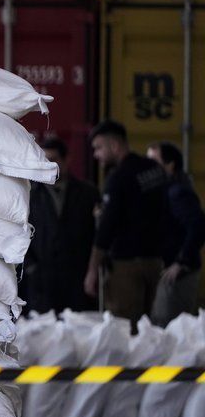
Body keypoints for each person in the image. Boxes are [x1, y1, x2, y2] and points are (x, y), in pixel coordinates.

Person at [83, 120, 169, 331]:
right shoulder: (155, 169)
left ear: (114, 145)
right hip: (156, 263)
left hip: (127, 267)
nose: (95, 155)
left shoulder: (118, 177)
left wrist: (92, 270)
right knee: (151, 330)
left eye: (98, 148)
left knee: (124, 330)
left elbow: (106, 228)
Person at [22, 137, 101, 314]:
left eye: (53, 160)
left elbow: (97, 234)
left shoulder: (88, 193)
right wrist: (31, 267)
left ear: (66, 160)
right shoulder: (30, 195)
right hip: (42, 280)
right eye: (44, 161)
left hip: (78, 280)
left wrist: (92, 270)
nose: (48, 165)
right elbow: (19, 232)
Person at [147, 141, 205, 326]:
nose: (149, 168)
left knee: (167, 325)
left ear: (170, 164)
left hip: (177, 274)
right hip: (169, 270)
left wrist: (181, 262)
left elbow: (198, 226)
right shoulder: (166, 190)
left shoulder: (177, 192)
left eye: (153, 161)